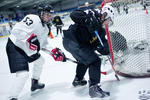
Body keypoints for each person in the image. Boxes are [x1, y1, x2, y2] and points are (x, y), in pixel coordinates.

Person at [6, 4, 66, 100]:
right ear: (40, 13)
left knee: (40, 61)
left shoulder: (46, 28)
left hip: (27, 48)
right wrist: (29, 38)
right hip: (16, 46)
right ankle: (12, 97)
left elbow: (43, 45)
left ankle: (35, 82)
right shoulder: (32, 18)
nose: (49, 17)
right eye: (47, 14)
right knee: (23, 74)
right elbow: (15, 31)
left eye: (50, 15)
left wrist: (54, 51)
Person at [63, 4, 115, 98]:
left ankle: (78, 80)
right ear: (105, 15)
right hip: (72, 40)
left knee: (85, 59)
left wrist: (106, 50)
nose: (107, 23)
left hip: (75, 43)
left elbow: (102, 43)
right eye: (108, 20)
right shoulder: (92, 14)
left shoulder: (101, 30)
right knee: (95, 61)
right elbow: (73, 14)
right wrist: (87, 20)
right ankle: (94, 88)